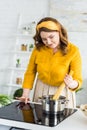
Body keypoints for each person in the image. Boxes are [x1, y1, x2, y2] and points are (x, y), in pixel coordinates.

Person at [18, 17, 82, 108]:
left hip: (63, 91)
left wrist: (72, 83)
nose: (48, 42)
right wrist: (25, 94)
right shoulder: (38, 50)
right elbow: (30, 73)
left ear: (59, 32)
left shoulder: (73, 50)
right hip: (41, 89)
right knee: (40, 118)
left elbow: (78, 79)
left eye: (51, 37)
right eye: (44, 39)